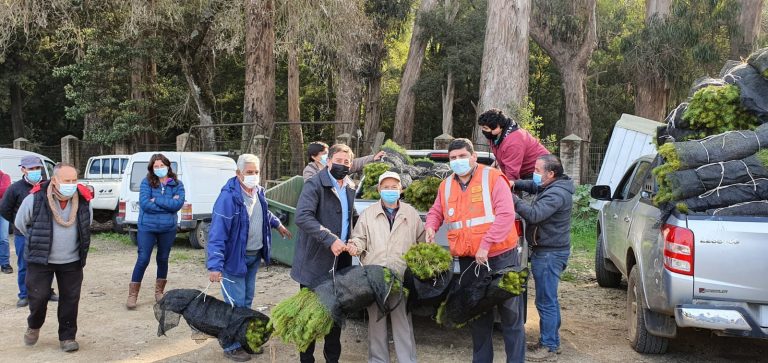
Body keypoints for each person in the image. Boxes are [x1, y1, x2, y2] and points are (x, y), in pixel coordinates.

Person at [425, 138, 525, 363]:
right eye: (453, 158)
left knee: (511, 316)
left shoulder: (493, 178)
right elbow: (435, 211)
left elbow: (506, 215)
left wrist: (486, 244)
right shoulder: (446, 185)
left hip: (501, 257)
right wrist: (431, 227)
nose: (458, 161)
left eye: (462, 156)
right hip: (470, 261)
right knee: (478, 315)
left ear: (473, 156)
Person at [206, 154, 292, 362]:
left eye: (256, 172)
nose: (253, 176)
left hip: (254, 257)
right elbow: (217, 234)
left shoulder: (258, 191)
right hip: (235, 259)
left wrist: (277, 224)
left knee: (246, 301)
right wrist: (214, 266)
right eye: (249, 173)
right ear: (238, 174)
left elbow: (262, 212)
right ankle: (231, 345)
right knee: (235, 305)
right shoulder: (228, 199)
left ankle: (243, 339)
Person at [14, 163, 92, 353]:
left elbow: (86, 224)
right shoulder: (35, 198)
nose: (72, 184)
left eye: (74, 180)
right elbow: (21, 224)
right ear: (55, 180)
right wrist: (39, 241)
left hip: (72, 261)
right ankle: (34, 325)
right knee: (38, 297)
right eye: (67, 181)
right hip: (41, 260)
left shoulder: (83, 200)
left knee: (70, 299)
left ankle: (67, 337)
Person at [347, 171, 423, 363]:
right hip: (375, 277)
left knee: (402, 321)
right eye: (386, 187)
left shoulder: (410, 213)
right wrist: (355, 246)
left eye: (394, 187)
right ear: (379, 189)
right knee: (376, 321)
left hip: (401, 276)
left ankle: (407, 359)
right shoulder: (369, 214)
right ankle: (378, 360)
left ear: (401, 189)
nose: (390, 190)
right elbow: (359, 237)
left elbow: (421, 243)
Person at [292, 143, 358, 363]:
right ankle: (307, 359)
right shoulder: (314, 184)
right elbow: (302, 217)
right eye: (337, 161)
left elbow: (352, 218)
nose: (341, 165)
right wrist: (330, 239)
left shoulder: (350, 186)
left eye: (346, 162)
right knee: (310, 314)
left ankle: (332, 359)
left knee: (335, 313)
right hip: (314, 263)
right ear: (328, 161)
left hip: (341, 264)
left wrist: (356, 239)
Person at [512, 155, 574, 362]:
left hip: (549, 254)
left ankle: (549, 346)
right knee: (549, 299)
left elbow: (534, 214)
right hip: (549, 250)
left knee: (546, 301)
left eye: (538, 170)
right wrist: (514, 183)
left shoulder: (556, 194)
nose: (534, 174)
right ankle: (550, 340)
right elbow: (532, 185)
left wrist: (511, 198)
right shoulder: (553, 185)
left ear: (551, 174)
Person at [126, 154, 185, 309]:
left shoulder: (177, 184)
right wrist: (168, 205)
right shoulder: (146, 182)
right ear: (152, 168)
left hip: (168, 229)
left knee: (163, 258)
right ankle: (133, 295)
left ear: (168, 166)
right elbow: (145, 204)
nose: (159, 169)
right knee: (143, 259)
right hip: (147, 227)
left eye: (161, 165)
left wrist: (157, 200)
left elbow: (177, 205)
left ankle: (159, 292)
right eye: (156, 166)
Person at [0, 155, 58, 307]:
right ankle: (24, 294)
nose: (35, 171)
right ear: (23, 169)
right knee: (24, 264)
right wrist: (18, 224)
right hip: (23, 234)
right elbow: (5, 209)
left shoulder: (49, 185)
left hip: (46, 233)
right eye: (31, 168)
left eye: (37, 168)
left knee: (48, 264)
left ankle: (48, 291)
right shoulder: (15, 188)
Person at [478, 108, 550, 181]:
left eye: (485, 128)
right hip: (523, 170)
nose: (483, 131)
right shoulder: (494, 136)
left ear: (498, 127)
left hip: (538, 172)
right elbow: (501, 153)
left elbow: (512, 174)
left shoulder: (513, 142)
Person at [302, 141, 386, 181]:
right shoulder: (309, 170)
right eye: (323, 154)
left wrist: (373, 158)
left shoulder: (335, 164)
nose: (327, 156)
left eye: (328, 153)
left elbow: (355, 163)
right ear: (314, 157)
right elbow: (311, 185)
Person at [0, 168, 11, 274]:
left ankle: (5, 263)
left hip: (2, 212)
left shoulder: (5, 177)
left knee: (3, 238)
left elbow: (4, 190)